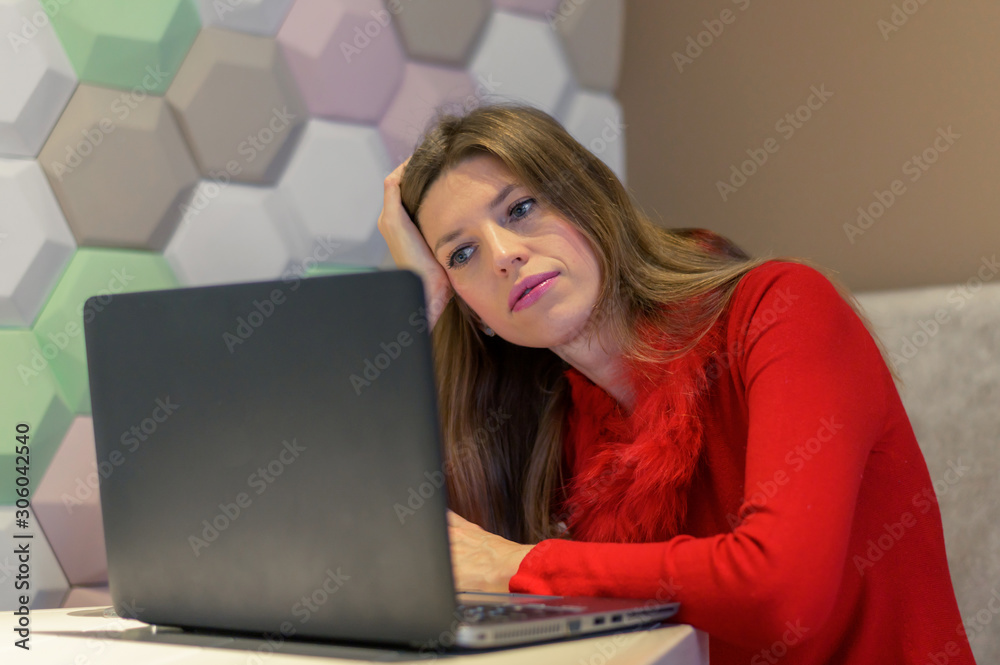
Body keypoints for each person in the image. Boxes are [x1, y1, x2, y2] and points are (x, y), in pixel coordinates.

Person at [377, 104, 976, 664]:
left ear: (588, 202)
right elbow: (376, 552)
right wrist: (415, 307)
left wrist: (523, 565)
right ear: (474, 312)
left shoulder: (785, 308)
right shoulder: (551, 424)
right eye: (461, 255)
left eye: (521, 208)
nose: (503, 254)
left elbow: (779, 592)